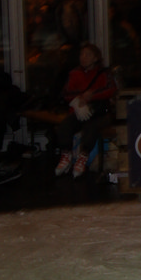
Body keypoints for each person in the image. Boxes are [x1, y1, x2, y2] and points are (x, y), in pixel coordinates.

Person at [53, 42, 117, 178]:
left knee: (91, 127)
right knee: (65, 125)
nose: (83, 57)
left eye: (88, 55)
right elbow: (66, 93)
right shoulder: (74, 73)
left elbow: (111, 90)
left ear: (95, 58)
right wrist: (80, 98)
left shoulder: (104, 74)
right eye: (82, 54)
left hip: (99, 111)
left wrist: (92, 95)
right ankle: (66, 154)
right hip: (80, 110)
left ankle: (83, 156)